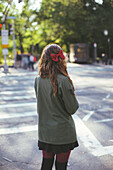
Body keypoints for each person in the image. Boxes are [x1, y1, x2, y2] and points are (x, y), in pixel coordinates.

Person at [34, 44, 79, 170]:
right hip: (62, 133)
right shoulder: (64, 80)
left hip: (45, 132)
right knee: (61, 167)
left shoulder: (38, 80)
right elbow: (72, 108)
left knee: (46, 165)